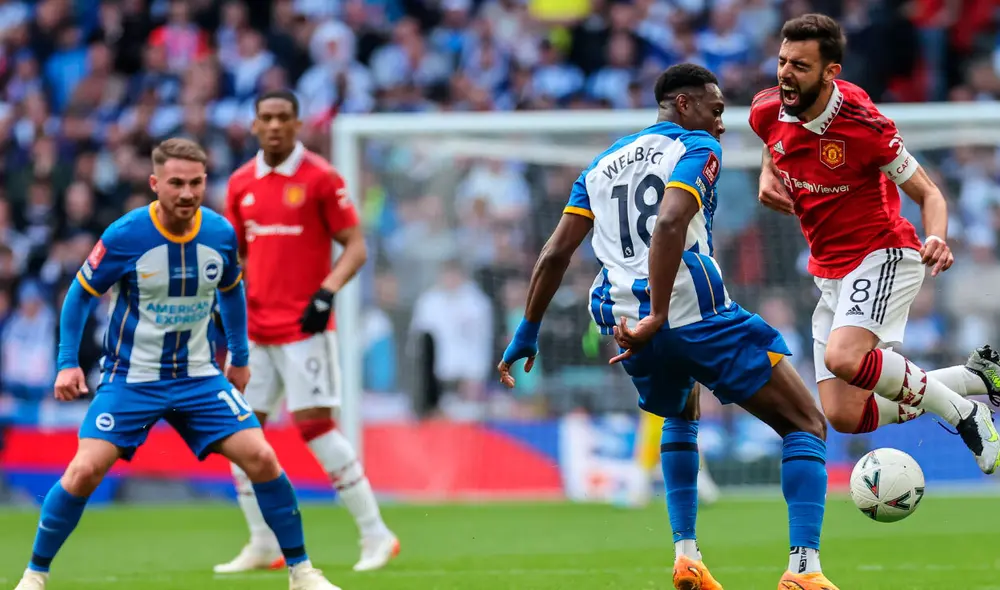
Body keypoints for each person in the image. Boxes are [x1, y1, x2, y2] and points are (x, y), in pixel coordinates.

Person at [498, 63, 839, 590]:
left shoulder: (599, 165)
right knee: (806, 424)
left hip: (620, 320)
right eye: (717, 109)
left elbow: (554, 252)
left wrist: (526, 330)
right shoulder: (697, 149)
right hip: (685, 312)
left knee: (680, 414)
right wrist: (660, 310)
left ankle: (687, 556)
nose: (723, 123)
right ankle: (805, 570)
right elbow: (671, 221)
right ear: (684, 105)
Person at [12, 138, 341, 590]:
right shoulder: (126, 235)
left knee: (262, 457)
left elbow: (232, 293)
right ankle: (34, 575)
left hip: (198, 378)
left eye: (196, 183)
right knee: (83, 470)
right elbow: (79, 296)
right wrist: (68, 362)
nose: (187, 193)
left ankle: (302, 573)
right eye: (176, 184)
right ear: (155, 184)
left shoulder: (220, 233)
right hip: (132, 379)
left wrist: (240, 357)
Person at [750, 14, 1000, 472]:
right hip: (829, 271)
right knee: (845, 414)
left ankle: (964, 414)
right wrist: (768, 175)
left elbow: (928, 192)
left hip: (883, 253)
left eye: (800, 66)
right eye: (783, 61)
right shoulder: (767, 108)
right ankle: (972, 380)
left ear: (831, 72)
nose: (786, 73)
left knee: (844, 357)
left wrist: (937, 235)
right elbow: (770, 138)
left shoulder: (864, 125)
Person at [216, 90, 398, 574]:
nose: (274, 126)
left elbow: (355, 246)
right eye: (266, 118)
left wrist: (327, 292)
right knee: (237, 435)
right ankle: (261, 543)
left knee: (315, 428)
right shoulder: (239, 184)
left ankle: (377, 534)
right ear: (254, 126)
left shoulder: (320, 177)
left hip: (304, 327)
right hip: (253, 331)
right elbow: (234, 255)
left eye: (283, 118)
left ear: (297, 124)